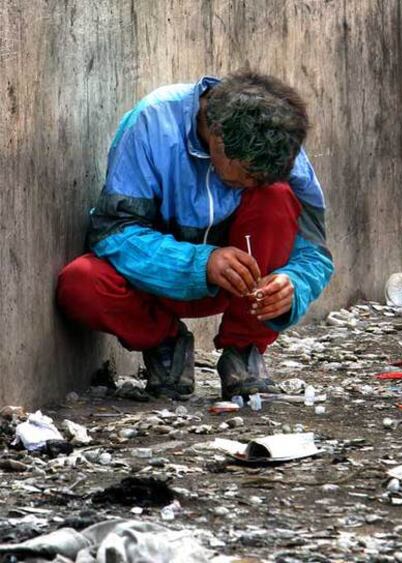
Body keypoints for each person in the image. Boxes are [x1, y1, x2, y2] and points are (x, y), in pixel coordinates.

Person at [57, 70, 334, 400]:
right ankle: (165, 342)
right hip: (152, 283)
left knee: (275, 196)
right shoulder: (153, 122)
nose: (251, 184)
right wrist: (201, 263)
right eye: (245, 175)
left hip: (243, 286)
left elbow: (315, 252)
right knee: (81, 283)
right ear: (216, 135)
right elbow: (112, 233)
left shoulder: (278, 145)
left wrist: (294, 284)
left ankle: (244, 350)